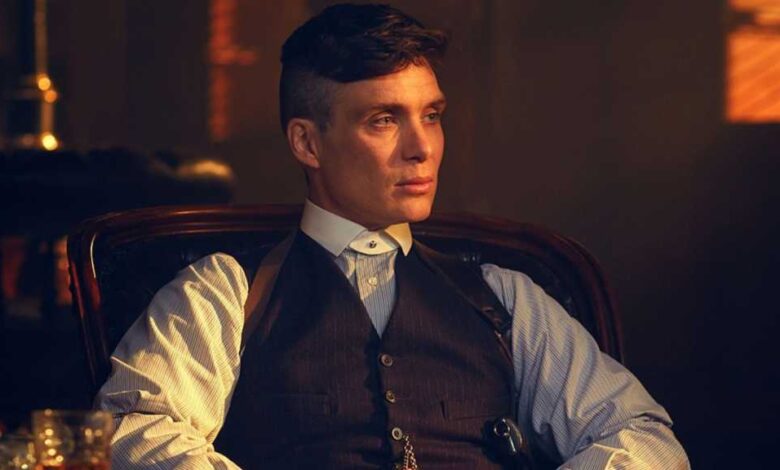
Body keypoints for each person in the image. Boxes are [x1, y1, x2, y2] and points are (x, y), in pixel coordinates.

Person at [96, 4, 689, 469]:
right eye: (384, 120)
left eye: (431, 115)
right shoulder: (224, 291)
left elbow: (641, 436)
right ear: (307, 143)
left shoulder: (503, 297)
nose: (422, 147)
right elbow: (135, 430)